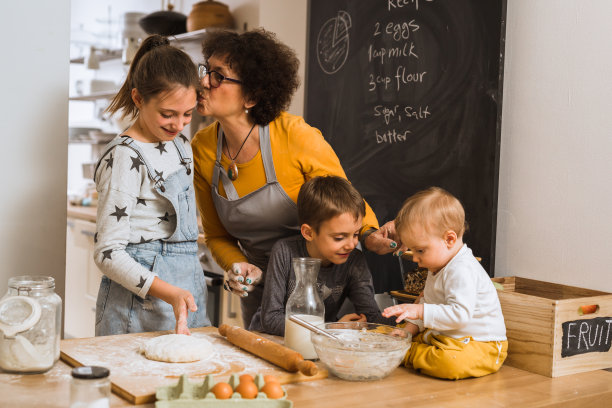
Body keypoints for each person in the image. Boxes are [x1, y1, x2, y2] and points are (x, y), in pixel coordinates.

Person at [192, 29, 399, 327]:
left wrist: (368, 235)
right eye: (206, 70)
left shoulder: (295, 136)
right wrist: (238, 266)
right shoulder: (202, 148)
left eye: (218, 76)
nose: (204, 82)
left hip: (328, 284)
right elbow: (217, 236)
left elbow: (343, 197)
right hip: (263, 288)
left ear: (251, 96)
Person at [93, 34, 210, 336]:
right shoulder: (124, 156)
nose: (178, 124)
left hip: (187, 288)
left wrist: (180, 292)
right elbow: (108, 253)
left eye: (187, 114)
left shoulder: (182, 145)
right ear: (138, 99)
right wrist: (168, 292)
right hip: (137, 302)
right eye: (167, 114)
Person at [382, 187, 507, 380]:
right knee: (392, 332)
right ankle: (408, 345)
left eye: (420, 251)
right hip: (449, 337)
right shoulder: (439, 264)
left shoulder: (462, 269)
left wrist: (420, 312)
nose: (414, 258)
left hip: (482, 345)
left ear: (449, 239)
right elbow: (427, 303)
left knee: (451, 363)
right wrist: (408, 329)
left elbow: (459, 316)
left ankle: (407, 353)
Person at [249, 176, 396, 335]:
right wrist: (330, 329)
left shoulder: (354, 261)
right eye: (339, 238)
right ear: (308, 232)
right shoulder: (284, 252)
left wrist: (419, 312)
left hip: (317, 341)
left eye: (355, 234)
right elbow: (271, 319)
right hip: (267, 338)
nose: (351, 244)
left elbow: (371, 317)